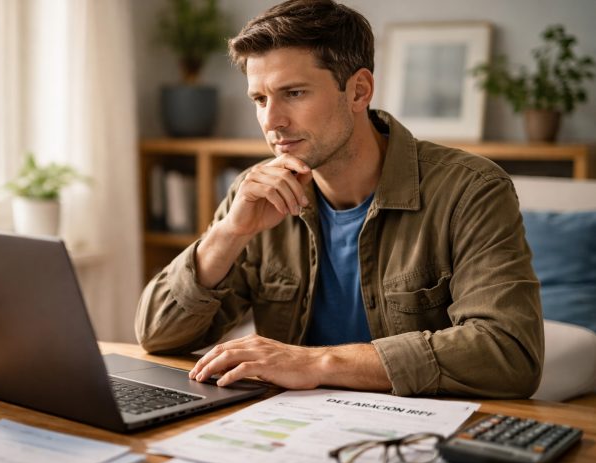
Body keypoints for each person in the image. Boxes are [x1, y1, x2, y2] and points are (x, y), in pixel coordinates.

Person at [135, 0, 543, 398]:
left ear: (359, 91)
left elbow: (509, 352)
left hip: (417, 435)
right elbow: (157, 334)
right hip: (290, 430)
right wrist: (229, 233)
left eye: (293, 93)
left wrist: (314, 363)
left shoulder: (471, 189)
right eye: (260, 99)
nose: (271, 121)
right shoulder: (256, 193)